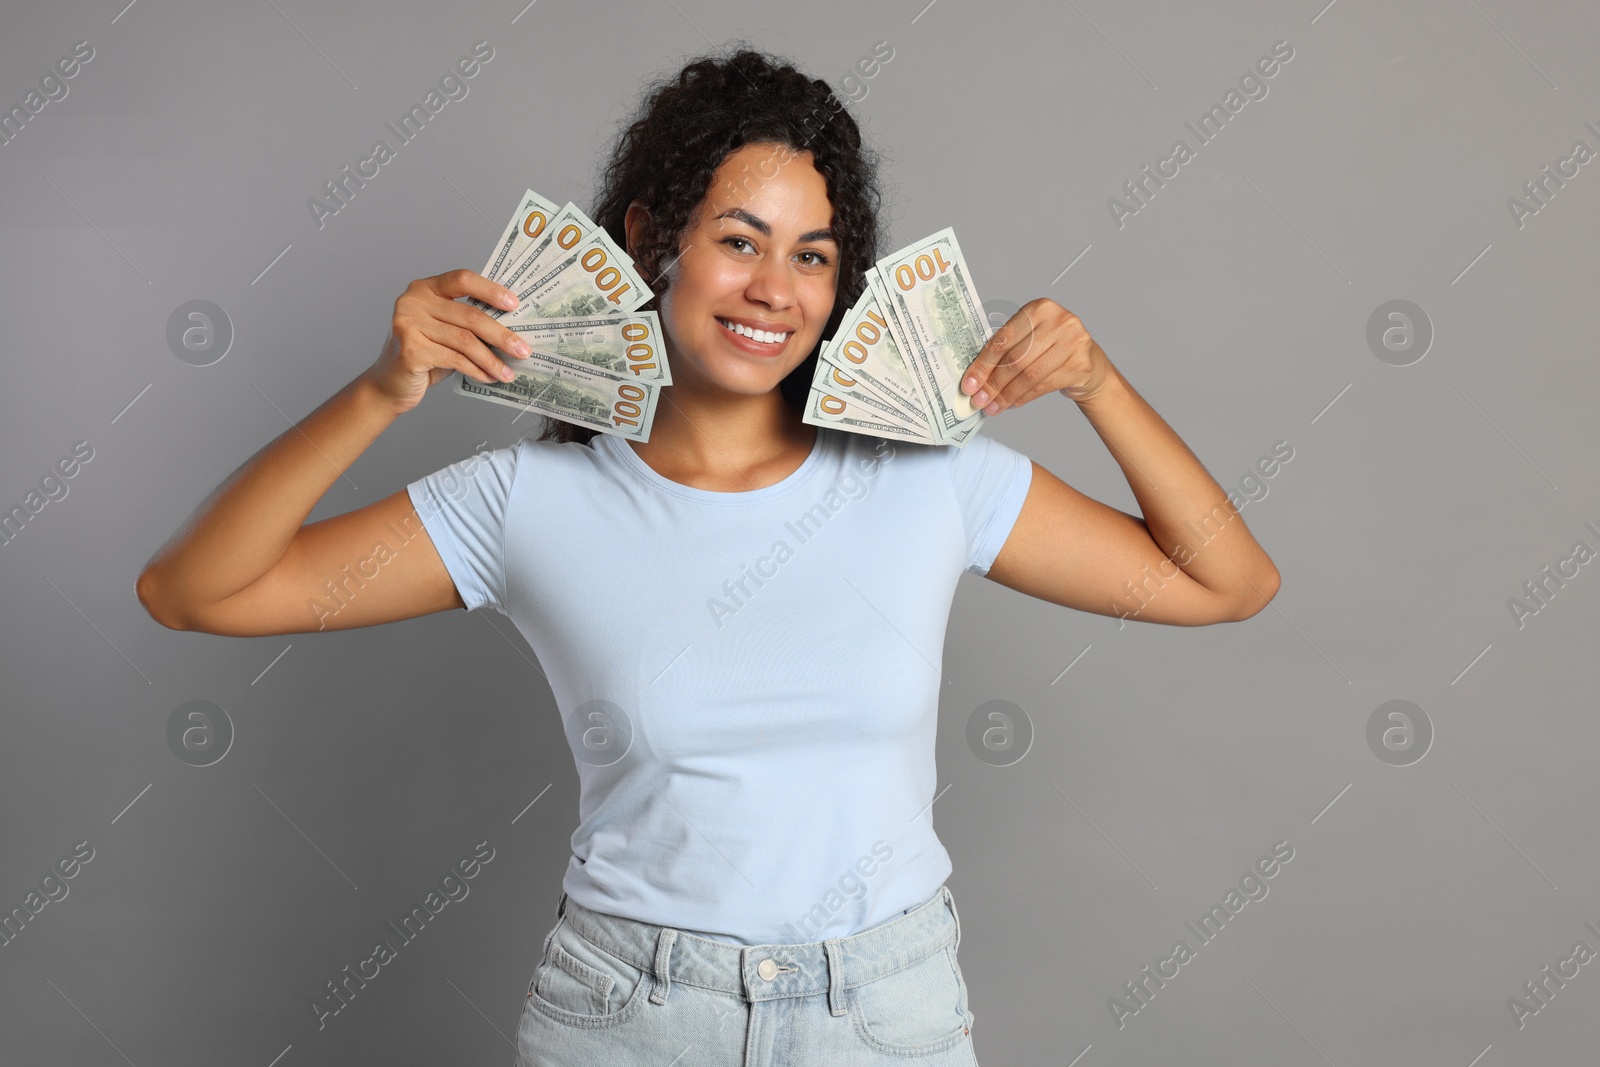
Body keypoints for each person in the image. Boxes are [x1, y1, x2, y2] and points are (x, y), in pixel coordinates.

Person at [136, 46, 1279, 1067]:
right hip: (630, 1013)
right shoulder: (531, 501)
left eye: (813, 256)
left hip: (882, 1011)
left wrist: (1096, 383)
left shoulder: (931, 476)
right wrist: (382, 393)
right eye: (739, 241)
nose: (774, 290)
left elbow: (1227, 580)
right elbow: (192, 591)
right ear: (649, 239)